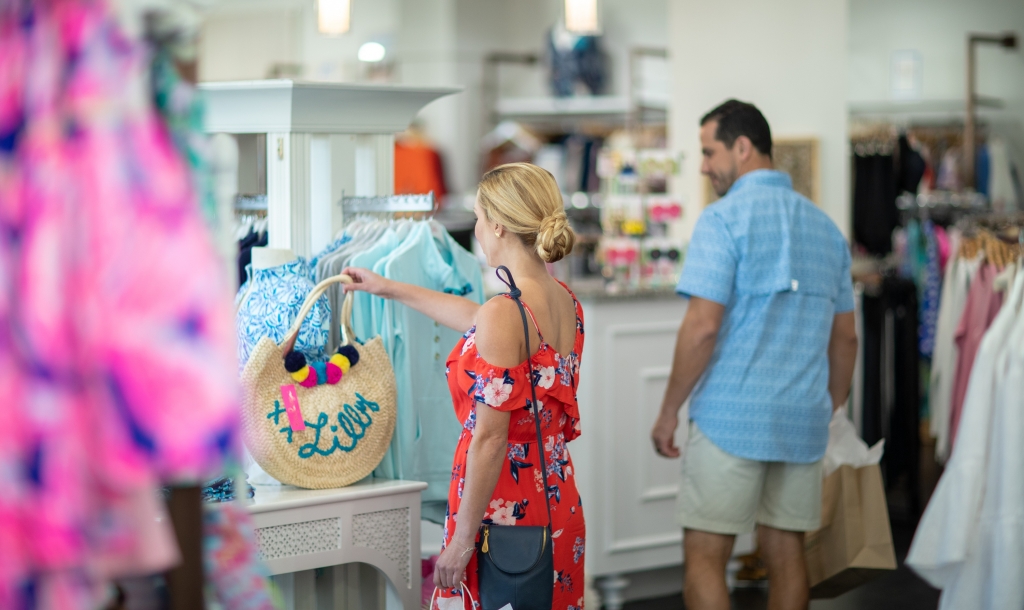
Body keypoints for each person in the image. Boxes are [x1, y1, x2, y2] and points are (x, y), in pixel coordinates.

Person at [342, 163, 588, 609]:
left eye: (477, 216)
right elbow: (476, 318)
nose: (475, 228)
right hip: (556, 504)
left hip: (502, 514)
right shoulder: (564, 301)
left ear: (498, 225)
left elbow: (491, 440)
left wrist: (460, 541)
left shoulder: (506, 312)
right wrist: (389, 289)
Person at [651, 100, 859, 610]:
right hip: (801, 423)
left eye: (709, 151)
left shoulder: (721, 220)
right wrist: (829, 406)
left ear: (742, 148)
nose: (703, 165)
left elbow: (702, 328)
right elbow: (847, 339)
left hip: (729, 418)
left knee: (705, 556)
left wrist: (668, 410)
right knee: (787, 553)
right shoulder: (827, 229)